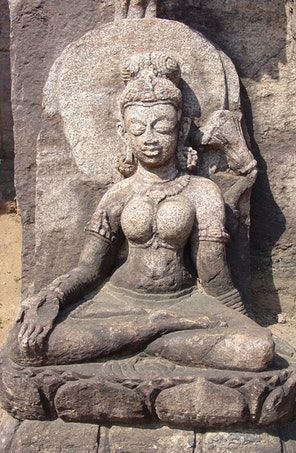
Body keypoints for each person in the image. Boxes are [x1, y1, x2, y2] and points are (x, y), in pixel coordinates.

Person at [9, 53, 274, 372]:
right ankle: (152, 332)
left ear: (182, 128)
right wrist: (54, 295)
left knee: (256, 349)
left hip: (185, 302)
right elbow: (90, 269)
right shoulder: (117, 195)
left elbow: (214, 275)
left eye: (162, 127)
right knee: (23, 346)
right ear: (123, 133)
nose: (150, 139)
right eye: (139, 129)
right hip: (117, 303)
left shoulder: (201, 192)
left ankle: (139, 339)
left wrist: (240, 321)